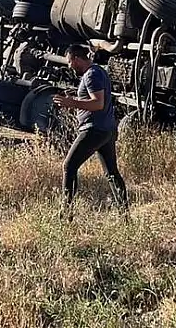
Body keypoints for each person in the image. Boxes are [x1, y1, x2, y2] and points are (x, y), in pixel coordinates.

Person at [52, 44, 128, 220]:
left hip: (94, 129)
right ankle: (125, 216)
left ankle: (66, 215)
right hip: (106, 130)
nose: (69, 66)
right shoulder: (97, 72)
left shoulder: (91, 75)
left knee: (69, 166)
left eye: (70, 61)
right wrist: (76, 98)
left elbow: (97, 103)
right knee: (111, 173)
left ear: (77, 59)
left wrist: (72, 103)